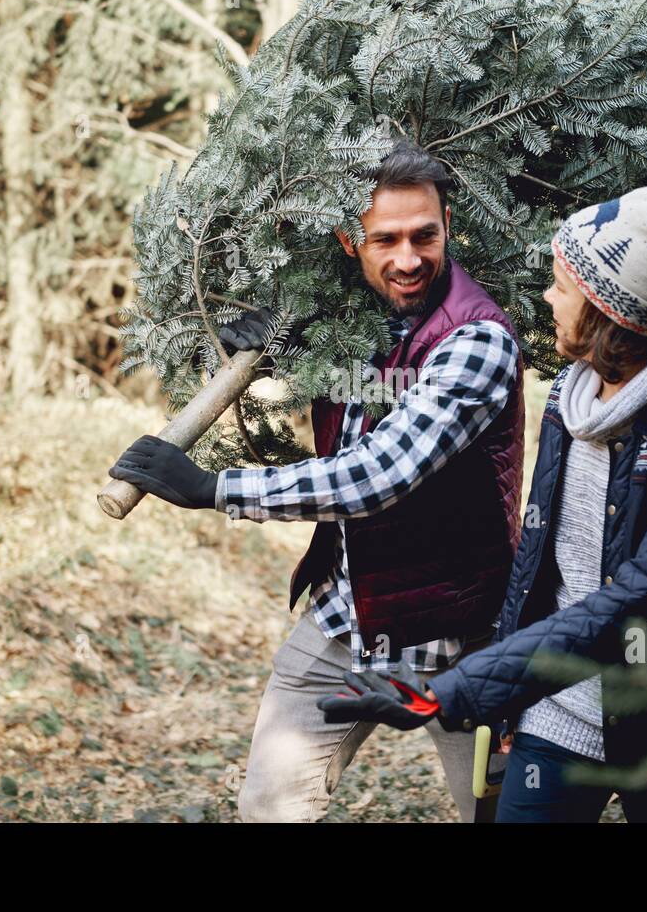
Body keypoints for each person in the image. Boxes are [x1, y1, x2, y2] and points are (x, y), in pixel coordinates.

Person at [319, 148, 647, 822]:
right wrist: (504, 695)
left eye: (562, 286)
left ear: (610, 309)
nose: (549, 297)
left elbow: (625, 609)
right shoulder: (568, 394)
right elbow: (540, 554)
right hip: (557, 712)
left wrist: (456, 690)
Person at [108, 140, 523, 822]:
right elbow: (347, 373)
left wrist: (216, 489)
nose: (408, 258)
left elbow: (379, 473)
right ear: (347, 239)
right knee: (270, 805)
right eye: (384, 239)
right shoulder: (351, 313)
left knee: (501, 814)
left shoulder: (477, 339)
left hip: (462, 631)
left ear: (449, 223)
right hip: (346, 617)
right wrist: (267, 344)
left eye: (425, 234)